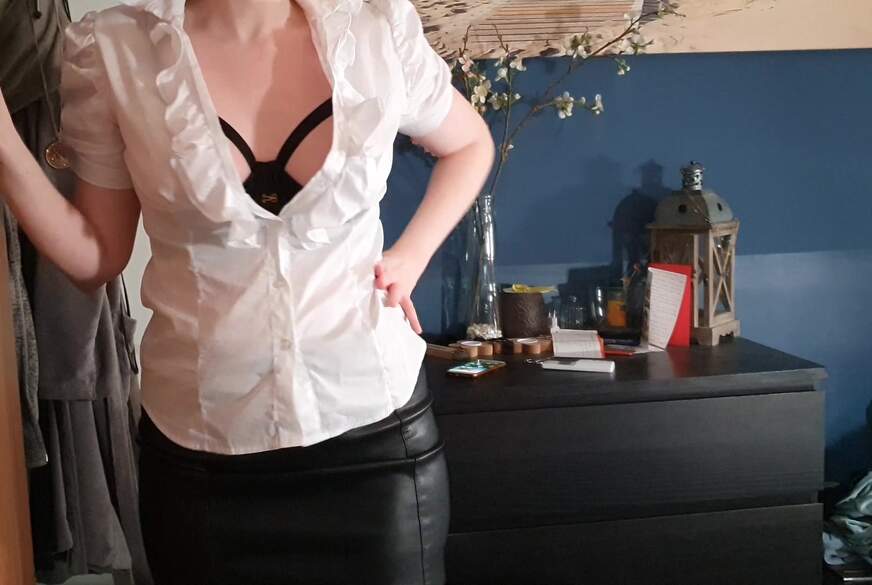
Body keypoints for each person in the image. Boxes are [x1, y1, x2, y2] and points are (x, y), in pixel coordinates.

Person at [0, 0, 495, 582]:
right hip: (203, 464)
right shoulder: (113, 50)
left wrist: (410, 256)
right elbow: (96, 256)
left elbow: (469, 144)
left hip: (378, 446)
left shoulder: (374, 27)